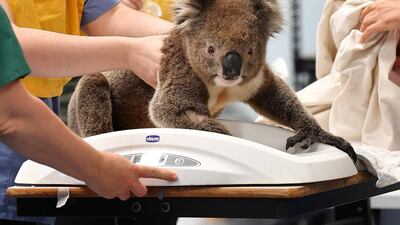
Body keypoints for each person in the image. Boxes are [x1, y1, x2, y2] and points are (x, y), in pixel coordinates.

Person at [0, 0, 176, 224]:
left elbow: (109, 16)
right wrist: (128, 53)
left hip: (41, 125)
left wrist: (199, 38)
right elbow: (11, 50)